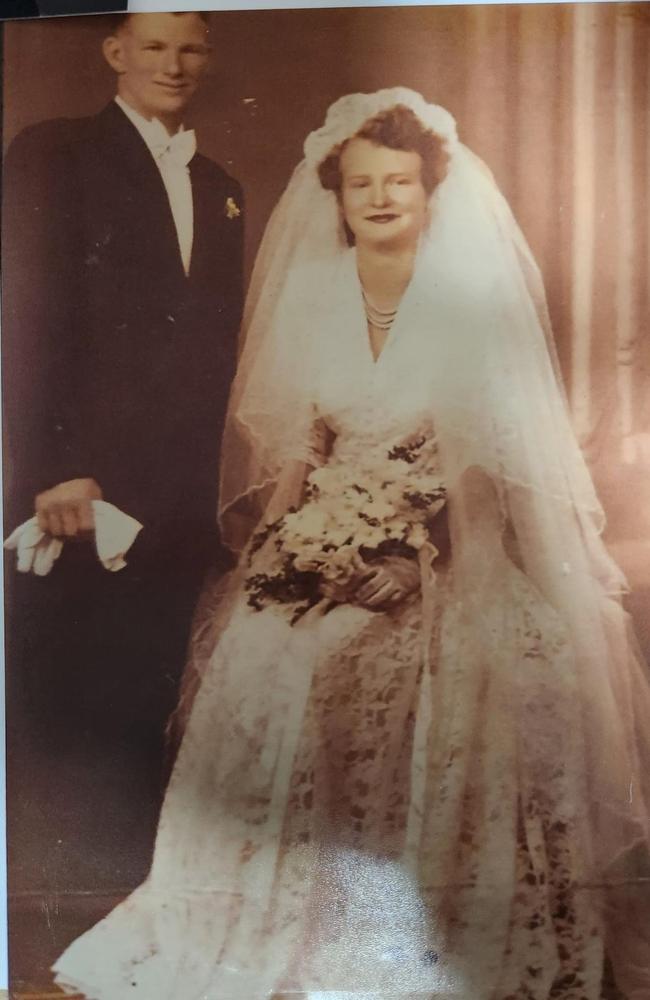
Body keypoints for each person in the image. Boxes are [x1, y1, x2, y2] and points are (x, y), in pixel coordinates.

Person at [52, 89, 650, 999]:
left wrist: (412, 551)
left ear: (428, 192)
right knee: (270, 658)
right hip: (333, 535)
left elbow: (487, 465)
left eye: (398, 183)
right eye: (361, 184)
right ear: (336, 197)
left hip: (450, 550)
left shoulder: (467, 300)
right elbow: (301, 452)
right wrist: (298, 551)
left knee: (459, 674)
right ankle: (269, 921)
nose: (379, 199)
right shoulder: (317, 294)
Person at [2, 12, 244, 891]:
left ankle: (152, 915)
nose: (173, 64)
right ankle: (68, 919)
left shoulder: (221, 183)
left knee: (159, 697)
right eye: (153, 46)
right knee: (78, 707)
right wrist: (51, 465)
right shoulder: (53, 151)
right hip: (82, 486)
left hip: (183, 491)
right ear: (114, 53)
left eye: (190, 48)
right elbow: (23, 317)